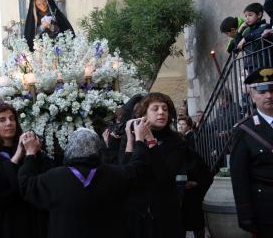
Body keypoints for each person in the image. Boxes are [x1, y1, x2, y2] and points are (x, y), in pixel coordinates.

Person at [18, 127, 146, 238]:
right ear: (98, 149)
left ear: (69, 148)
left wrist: (30, 154)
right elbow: (138, 169)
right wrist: (139, 139)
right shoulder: (114, 174)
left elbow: (25, 184)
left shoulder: (53, 177)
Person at [0, 103, 52, 238]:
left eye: (12, 118)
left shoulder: (31, 150)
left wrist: (33, 153)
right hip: (3, 222)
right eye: (2, 120)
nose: (9, 123)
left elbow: (44, 180)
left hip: (31, 220)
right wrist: (18, 155)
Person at [121, 92, 189, 238]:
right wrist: (131, 140)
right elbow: (125, 173)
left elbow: (165, 175)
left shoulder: (176, 141)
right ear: (144, 114)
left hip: (164, 212)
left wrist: (150, 140)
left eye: (165, 109)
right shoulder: (134, 136)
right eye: (155, 108)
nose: (161, 113)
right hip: (138, 213)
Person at [230, 67, 273, 237]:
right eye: (262, 91)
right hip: (266, 208)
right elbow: (239, 175)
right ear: (253, 96)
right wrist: (245, 213)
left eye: (272, 90)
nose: (269, 96)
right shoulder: (245, 130)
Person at [237, 3, 271, 72]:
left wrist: (245, 39)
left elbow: (259, 33)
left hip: (264, 65)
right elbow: (237, 47)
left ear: (259, 15)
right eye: (246, 16)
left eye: (250, 15)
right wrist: (239, 32)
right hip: (250, 66)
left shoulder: (266, 26)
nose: (247, 18)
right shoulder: (247, 32)